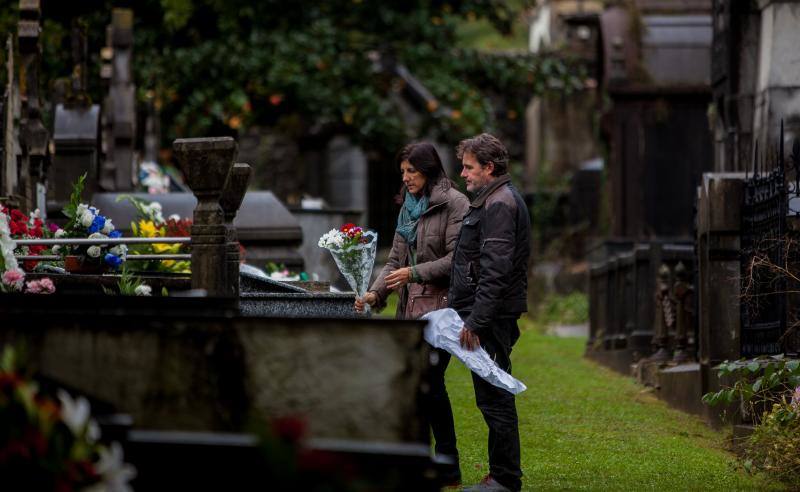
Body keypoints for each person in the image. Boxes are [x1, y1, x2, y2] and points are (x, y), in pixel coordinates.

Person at [355, 142, 469, 485]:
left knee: (430, 383)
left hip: (441, 309)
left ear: (428, 170)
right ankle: (419, 458)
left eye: (411, 171)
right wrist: (375, 293)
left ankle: (448, 463)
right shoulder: (407, 206)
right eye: (402, 172)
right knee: (415, 386)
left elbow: (457, 259)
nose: (405, 178)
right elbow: (395, 260)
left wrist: (415, 273)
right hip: (409, 309)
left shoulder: (455, 203)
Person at [449, 133, 530, 492]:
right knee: (491, 396)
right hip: (488, 314)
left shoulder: (500, 204)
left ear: (489, 168)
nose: (463, 174)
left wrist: (477, 321)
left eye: (469, 167)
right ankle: (501, 475)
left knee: (495, 396)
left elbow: (495, 270)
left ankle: (504, 478)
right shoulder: (494, 199)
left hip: (491, 318)